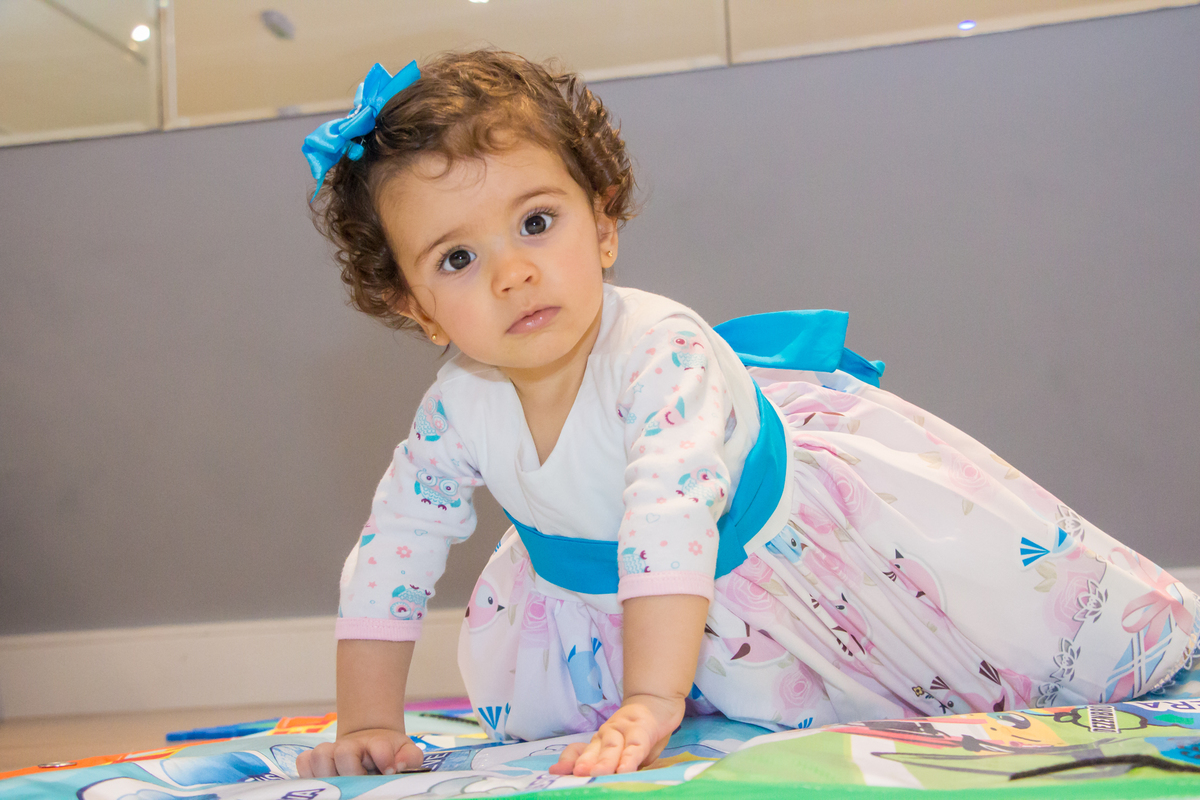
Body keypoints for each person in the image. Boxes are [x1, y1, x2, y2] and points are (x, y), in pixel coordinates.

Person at [294, 50, 1199, 780]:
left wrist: (651, 700)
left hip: (782, 553)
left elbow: (668, 520)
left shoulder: (658, 354)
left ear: (602, 225)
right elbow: (394, 548)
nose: (511, 272)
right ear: (412, 306)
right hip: (611, 590)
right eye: (456, 259)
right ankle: (689, 679)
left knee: (960, 673)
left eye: (536, 223)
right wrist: (370, 722)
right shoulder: (460, 406)